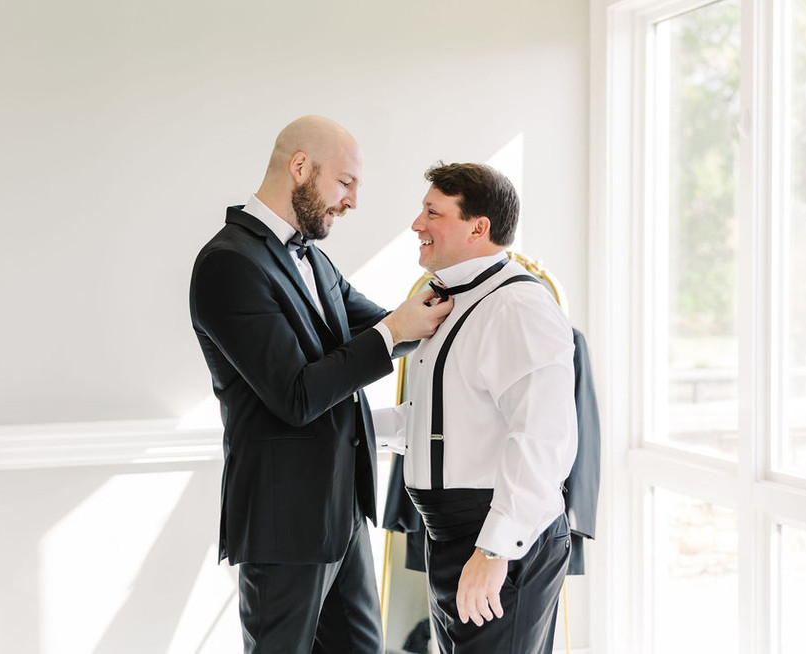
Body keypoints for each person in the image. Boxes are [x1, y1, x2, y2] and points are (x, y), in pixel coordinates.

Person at [189, 115, 453, 654]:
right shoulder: (227, 264)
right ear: (301, 167)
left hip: (344, 515)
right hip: (284, 526)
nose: (352, 201)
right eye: (346, 182)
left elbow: (386, 327)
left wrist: (463, 302)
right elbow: (297, 395)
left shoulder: (314, 257)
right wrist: (394, 330)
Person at [375, 162, 577, 653]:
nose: (416, 225)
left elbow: (541, 437)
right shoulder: (451, 301)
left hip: (493, 533)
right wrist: (345, 423)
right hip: (448, 534)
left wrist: (493, 549)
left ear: (477, 227)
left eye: (432, 212)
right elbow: (436, 421)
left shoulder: (517, 307)